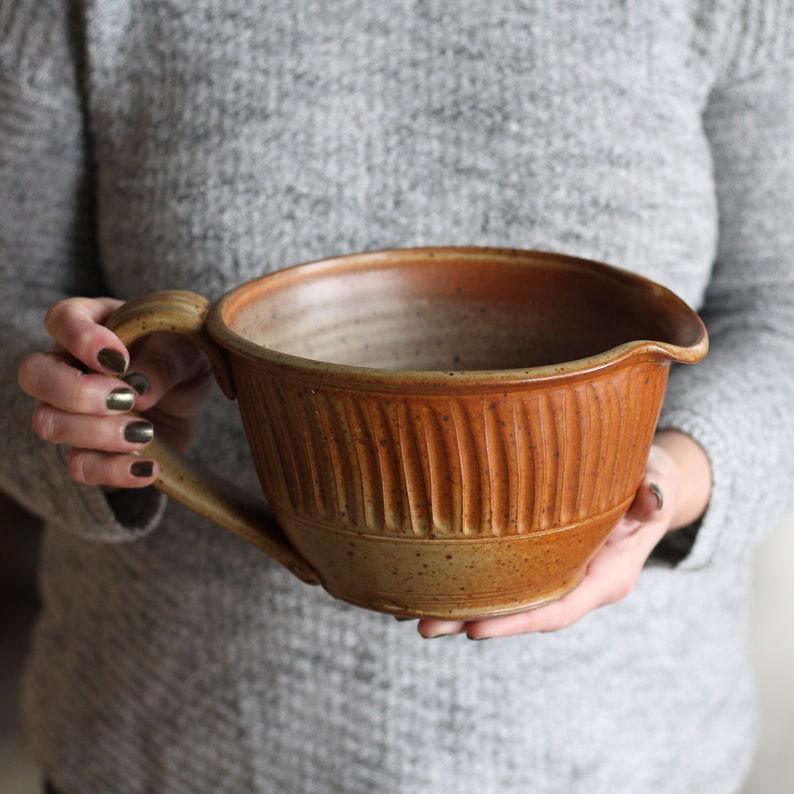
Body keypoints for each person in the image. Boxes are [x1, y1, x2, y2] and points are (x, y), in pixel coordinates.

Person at [3, 1, 793, 792]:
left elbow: (780, 310)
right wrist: (89, 417)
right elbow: (16, 315)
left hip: (626, 755)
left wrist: (673, 481)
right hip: (168, 750)